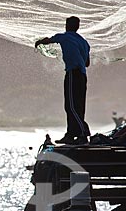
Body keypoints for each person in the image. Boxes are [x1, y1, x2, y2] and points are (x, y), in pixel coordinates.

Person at [35, 16, 91, 145]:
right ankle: (71, 135)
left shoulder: (64, 36)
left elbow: (48, 40)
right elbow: (87, 63)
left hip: (73, 74)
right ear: (78, 27)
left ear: (66, 25)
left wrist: (38, 43)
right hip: (82, 75)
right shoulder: (84, 42)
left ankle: (83, 134)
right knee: (78, 106)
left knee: (70, 106)